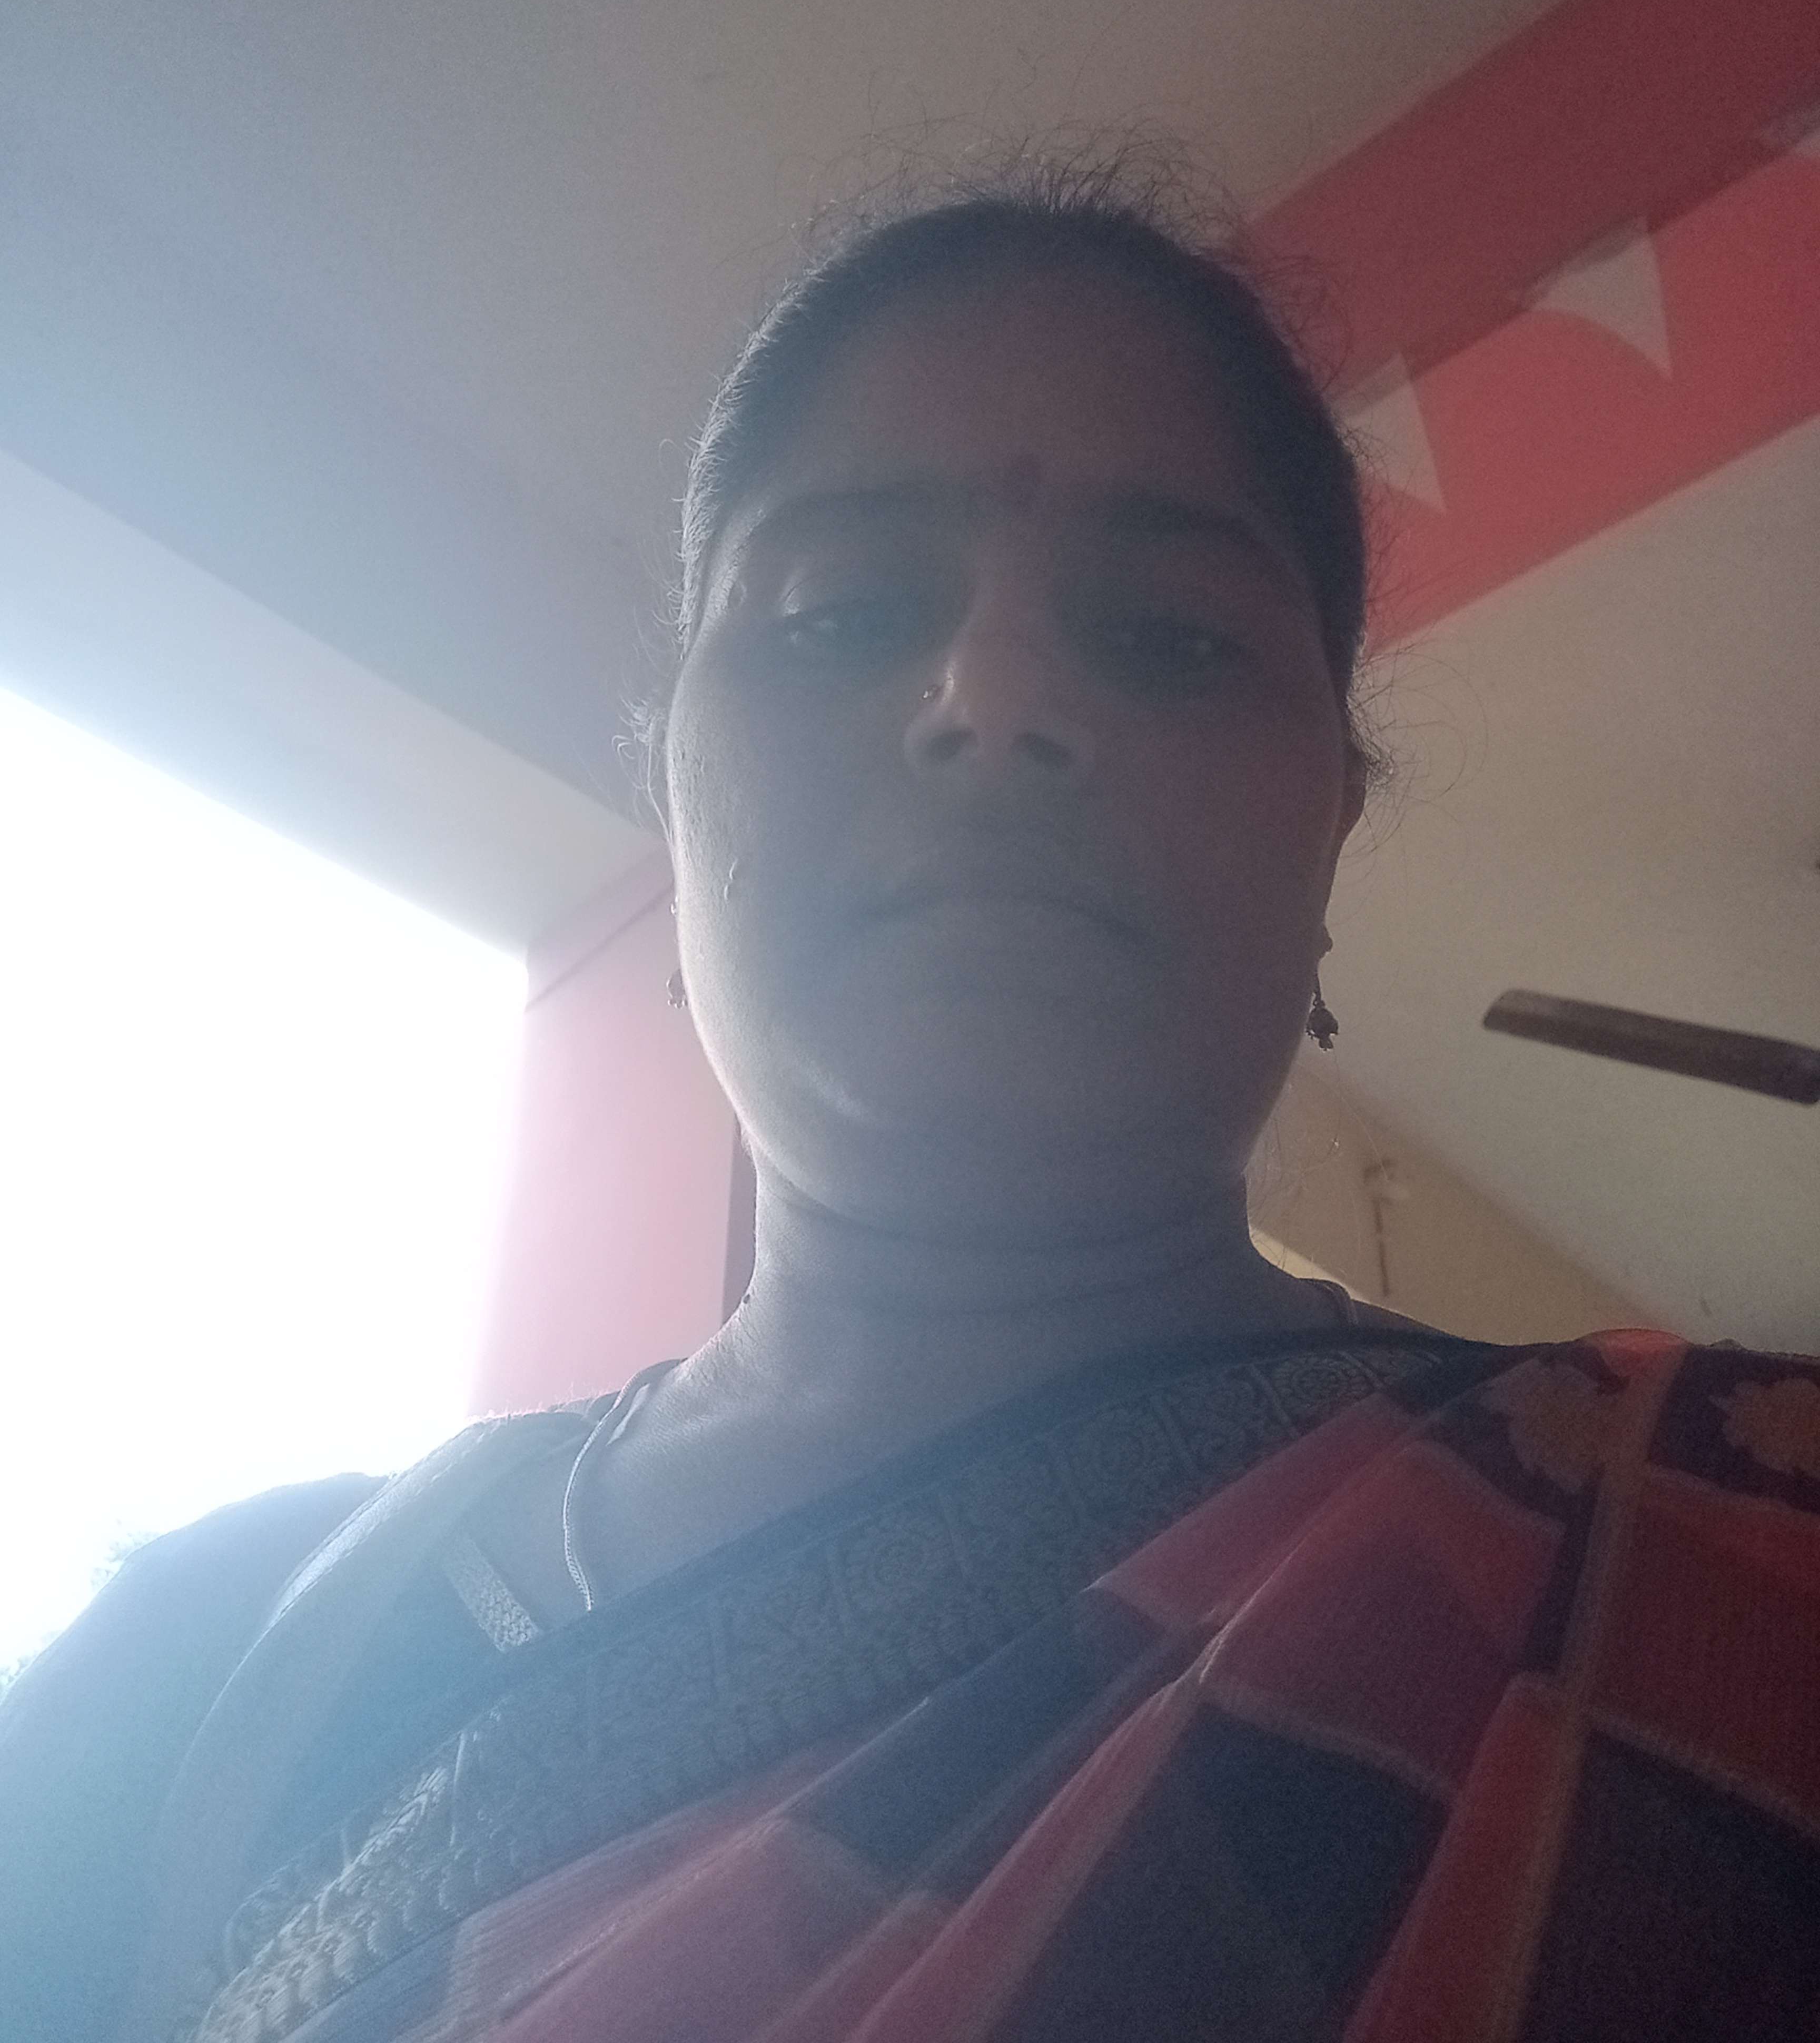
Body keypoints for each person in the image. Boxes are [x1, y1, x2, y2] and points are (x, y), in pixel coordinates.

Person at [5, 165, 1816, 2043]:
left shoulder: (1690, 1572)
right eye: (840, 612)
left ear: (1329, 833)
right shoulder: (204, 1667)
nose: (996, 693)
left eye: (1173, 636)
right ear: (674, 797)